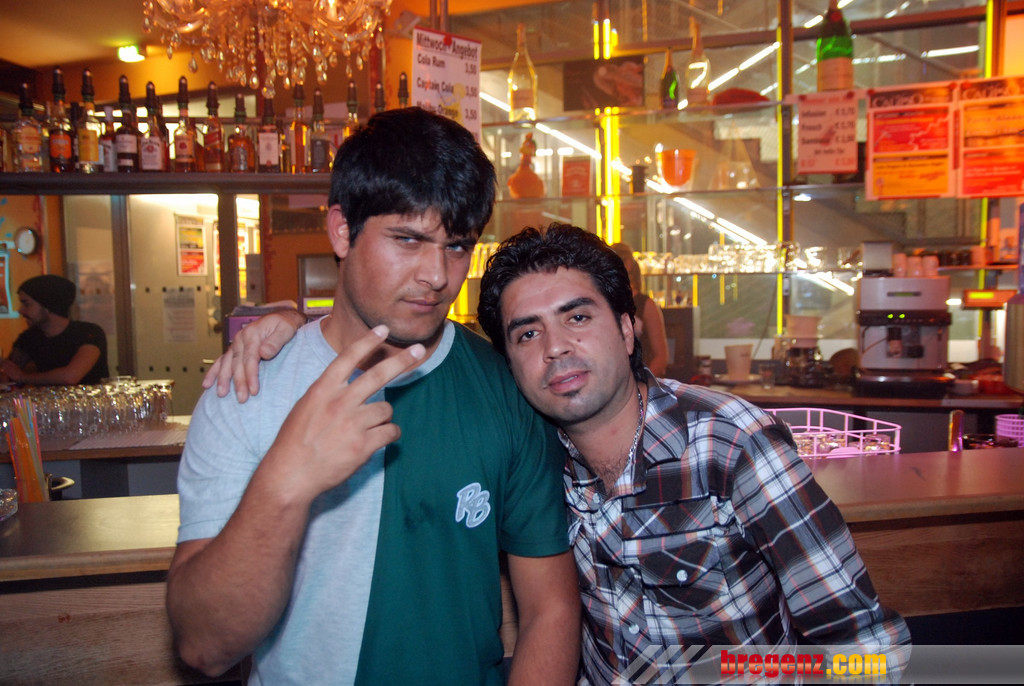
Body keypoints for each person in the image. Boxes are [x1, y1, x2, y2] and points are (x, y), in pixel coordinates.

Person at [209, 228, 910, 681]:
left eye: (578, 316)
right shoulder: (533, 452)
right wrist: (287, 322)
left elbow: (869, 650)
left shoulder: (730, 442)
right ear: (508, 362)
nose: (556, 349)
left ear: (629, 329)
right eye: (526, 333)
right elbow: (385, 322)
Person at [166, 108, 581, 686]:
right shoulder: (249, 386)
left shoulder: (504, 387)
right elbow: (205, 646)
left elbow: (551, 610)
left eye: (457, 246)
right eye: (408, 239)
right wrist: (287, 482)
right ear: (342, 230)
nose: (437, 275)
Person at [0, 274, 109, 385]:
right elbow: (9, 374)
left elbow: (70, 377)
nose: (21, 310)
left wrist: (23, 377)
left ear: (48, 306)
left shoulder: (88, 333)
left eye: (26, 304)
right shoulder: (29, 338)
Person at [609, 242, 669, 377]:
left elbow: (661, 357)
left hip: (639, 377)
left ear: (628, 264)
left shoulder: (646, 304)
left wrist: (642, 382)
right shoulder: (605, 301)